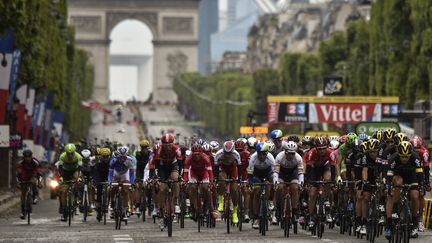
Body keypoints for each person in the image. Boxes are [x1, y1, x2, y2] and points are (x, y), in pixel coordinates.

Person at [385, 141, 423, 239]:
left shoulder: (415, 158)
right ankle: (391, 220)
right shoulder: (394, 158)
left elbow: (419, 174)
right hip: (398, 175)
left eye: (407, 157)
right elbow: (389, 174)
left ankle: (414, 222)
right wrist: (388, 186)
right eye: (402, 156)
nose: (405, 159)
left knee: (415, 195)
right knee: (398, 183)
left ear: (410, 154)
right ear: (399, 154)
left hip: (411, 176)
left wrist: (422, 185)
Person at [148, 133, 183, 229]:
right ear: (162, 144)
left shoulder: (177, 149)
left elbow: (180, 165)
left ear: (173, 143)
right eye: (165, 145)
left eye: (169, 145)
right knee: (162, 188)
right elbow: (157, 166)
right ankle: (161, 210)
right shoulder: (159, 149)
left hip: (173, 166)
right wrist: (159, 178)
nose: (167, 147)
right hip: (162, 168)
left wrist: (180, 176)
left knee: (176, 179)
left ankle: (175, 203)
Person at [183, 144, 217, 220]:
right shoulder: (189, 158)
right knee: (192, 187)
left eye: (198, 154)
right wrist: (185, 180)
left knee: (206, 188)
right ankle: (192, 208)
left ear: (201, 153)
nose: (196, 156)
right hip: (193, 173)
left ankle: (209, 209)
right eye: (195, 154)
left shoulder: (206, 157)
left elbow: (210, 170)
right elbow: (185, 171)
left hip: (203, 173)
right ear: (192, 153)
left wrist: (211, 180)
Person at [274, 141, 304, 225]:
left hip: (293, 173)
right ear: (285, 152)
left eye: (293, 153)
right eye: (289, 153)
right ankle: (278, 208)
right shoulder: (279, 157)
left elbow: (300, 173)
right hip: (282, 172)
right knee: (279, 187)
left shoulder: (298, 158)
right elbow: (276, 172)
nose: (291, 156)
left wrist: (301, 183)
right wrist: (275, 182)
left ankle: (294, 211)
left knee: (295, 188)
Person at [248, 142, 276, 229]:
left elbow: (274, 173)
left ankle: (270, 201)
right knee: (256, 192)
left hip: (268, 172)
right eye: (259, 154)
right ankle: (256, 218)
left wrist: (274, 184)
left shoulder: (271, 158)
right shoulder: (253, 158)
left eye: (263, 154)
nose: (261, 156)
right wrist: (250, 183)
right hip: (256, 174)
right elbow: (250, 174)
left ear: (267, 153)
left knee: (271, 183)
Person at [214, 141, 241, 225]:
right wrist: (216, 179)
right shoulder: (218, 154)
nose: (228, 155)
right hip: (223, 169)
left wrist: (238, 179)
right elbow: (216, 168)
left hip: (233, 170)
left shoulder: (236, 154)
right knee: (221, 179)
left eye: (230, 153)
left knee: (234, 189)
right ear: (223, 150)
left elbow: (239, 167)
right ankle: (221, 200)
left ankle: (235, 211)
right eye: (226, 153)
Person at [108, 146, 136, 220]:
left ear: (126, 155)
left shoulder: (130, 160)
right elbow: (110, 173)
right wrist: (110, 182)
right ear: (118, 156)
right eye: (120, 157)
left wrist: (132, 183)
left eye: (124, 157)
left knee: (126, 190)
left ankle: (124, 210)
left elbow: (132, 174)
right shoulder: (113, 160)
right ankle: (112, 203)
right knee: (112, 188)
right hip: (115, 174)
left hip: (125, 175)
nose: (122, 158)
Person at [57, 143, 83, 221]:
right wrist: (61, 177)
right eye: (68, 154)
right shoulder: (62, 156)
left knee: (78, 181)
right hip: (65, 172)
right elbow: (60, 168)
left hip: (75, 171)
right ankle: (64, 210)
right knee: (63, 191)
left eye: (72, 154)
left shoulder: (78, 157)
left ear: (74, 152)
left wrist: (78, 178)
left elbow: (79, 169)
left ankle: (77, 196)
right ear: (66, 153)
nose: (70, 156)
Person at [16, 149, 42, 219]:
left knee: (33, 181)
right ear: (23, 157)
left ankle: (34, 196)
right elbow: (18, 174)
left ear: (31, 156)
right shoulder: (20, 163)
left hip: (32, 175)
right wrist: (18, 182)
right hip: (24, 176)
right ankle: (23, 211)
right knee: (23, 193)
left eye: (29, 157)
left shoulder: (35, 162)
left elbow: (39, 174)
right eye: (26, 157)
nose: (27, 158)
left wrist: (39, 182)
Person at [133, 139, 153, 215]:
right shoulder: (138, 154)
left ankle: (150, 201)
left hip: (148, 170)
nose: (144, 149)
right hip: (140, 171)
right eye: (143, 148)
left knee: (151, 185)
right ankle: (137, 205)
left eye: (146, 148)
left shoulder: (151, 153)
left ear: (148, 148)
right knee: (138, 186)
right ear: (141, 148)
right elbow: (136, 164)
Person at [234, 139, 251, 222]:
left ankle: (246, 212)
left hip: (245, 172)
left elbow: (250, 167)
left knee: (245, 190)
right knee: (234, 189)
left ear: (244, 149)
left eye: (241, 150)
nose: (239, 152)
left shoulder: (247, 154)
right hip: (235, 171)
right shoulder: (232, 154)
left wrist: (248, 180)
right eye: (237, 150)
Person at [93, 147, 111, 221]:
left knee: (111, 190)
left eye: (107, 156)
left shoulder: (112, 162)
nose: (106, 158)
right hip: (100, 178)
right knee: (99, 192)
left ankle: (110, 203)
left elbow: (113, 172)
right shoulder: (99, 163)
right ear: (101, 156)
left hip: (109, 178)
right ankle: (98, 210)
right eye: (104, 157)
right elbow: (96, 173)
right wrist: (96, 181)